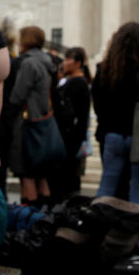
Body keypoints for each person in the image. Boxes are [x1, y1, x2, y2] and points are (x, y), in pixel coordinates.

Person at [92, 22, 139, 206]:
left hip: (112, 134)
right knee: (138, 191)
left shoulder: (103, 70)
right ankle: (134, 234)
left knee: (107, 187)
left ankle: (99, 227)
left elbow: (98, 105)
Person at [8, 26, 58, 206]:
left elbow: (18, 95)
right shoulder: (47, 62)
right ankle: (46, 217)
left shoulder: (29, 63)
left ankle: (31, 223)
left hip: (27, 124)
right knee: (41, 176)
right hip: (43, 121)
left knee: (27, 175)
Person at [50, 47, 91, 200]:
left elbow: (77, 113)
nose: (64, 63)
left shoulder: (78, 83)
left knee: (68, 177)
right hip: (70, 136)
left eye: (68, 60)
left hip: (70, 137)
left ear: (78, 63)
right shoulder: (70, 81)